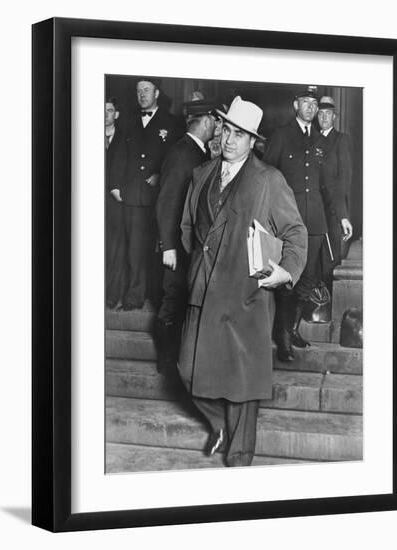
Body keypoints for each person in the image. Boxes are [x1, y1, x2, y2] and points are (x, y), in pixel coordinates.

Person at [178, 96, 307, 467]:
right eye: (227, 130)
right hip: (203, 291)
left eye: (240, 134)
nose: (230, 140)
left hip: (246, 298)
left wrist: (285, 271)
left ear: (253, 141)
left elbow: (296, 233)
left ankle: (240, 466)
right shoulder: (201, 174)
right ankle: (218, 425)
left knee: (241, 389)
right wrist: (204, 264)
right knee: (187, 371)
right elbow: (189, 228)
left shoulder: (269, 180)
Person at [263, 87, 351, 361]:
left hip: (315, 221)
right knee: (287, 278)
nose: (311, 108)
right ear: (295, 104)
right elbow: (265, 176)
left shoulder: (321, 141)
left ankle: (291, 328)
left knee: (308, 280)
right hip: (286, 220)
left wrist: (343, 214)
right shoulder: (281, 136)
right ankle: (283, 339)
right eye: (306, 102)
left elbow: (330, 185)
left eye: (315, 103)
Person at [155, 100, 218, 372]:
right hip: (177, 245)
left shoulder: (197, 151)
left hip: (189, 243)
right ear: (205, 122)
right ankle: (166, 361)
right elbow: (167, 202)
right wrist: (168, 245)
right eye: (215, 121)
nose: (217, 126)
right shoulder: (183, 154)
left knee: (182, 300)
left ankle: (177, 357)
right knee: (173, 301)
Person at [117, 77, 179, 311]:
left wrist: (161, 175)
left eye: (146, 90)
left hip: (159, 198)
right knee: (134, 249)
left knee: (159, 248)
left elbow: (175, 158)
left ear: (157, 93)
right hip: (132, 195)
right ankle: (134, 296)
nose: (141, 94)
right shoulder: (129, 122)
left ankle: (156, 295)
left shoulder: (172, 123)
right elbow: (119, 156)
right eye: (138, 91)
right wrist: (116, 186)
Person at [316, 96, 353, 284]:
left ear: (334, 117)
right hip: (313, 210)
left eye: (328, 114)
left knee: (330, 263)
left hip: (332, 211)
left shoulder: (341, 140)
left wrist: (343, 214)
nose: (323, 118)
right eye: (320, 114)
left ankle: (327, 308)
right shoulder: (311, 140)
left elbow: (344, 181)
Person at [105, 97, 126, 308]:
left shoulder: (126, 137)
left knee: (116, 249)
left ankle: (112, 294)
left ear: (116, 114)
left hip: (116, 202)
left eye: (109, 110)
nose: (104, 114)